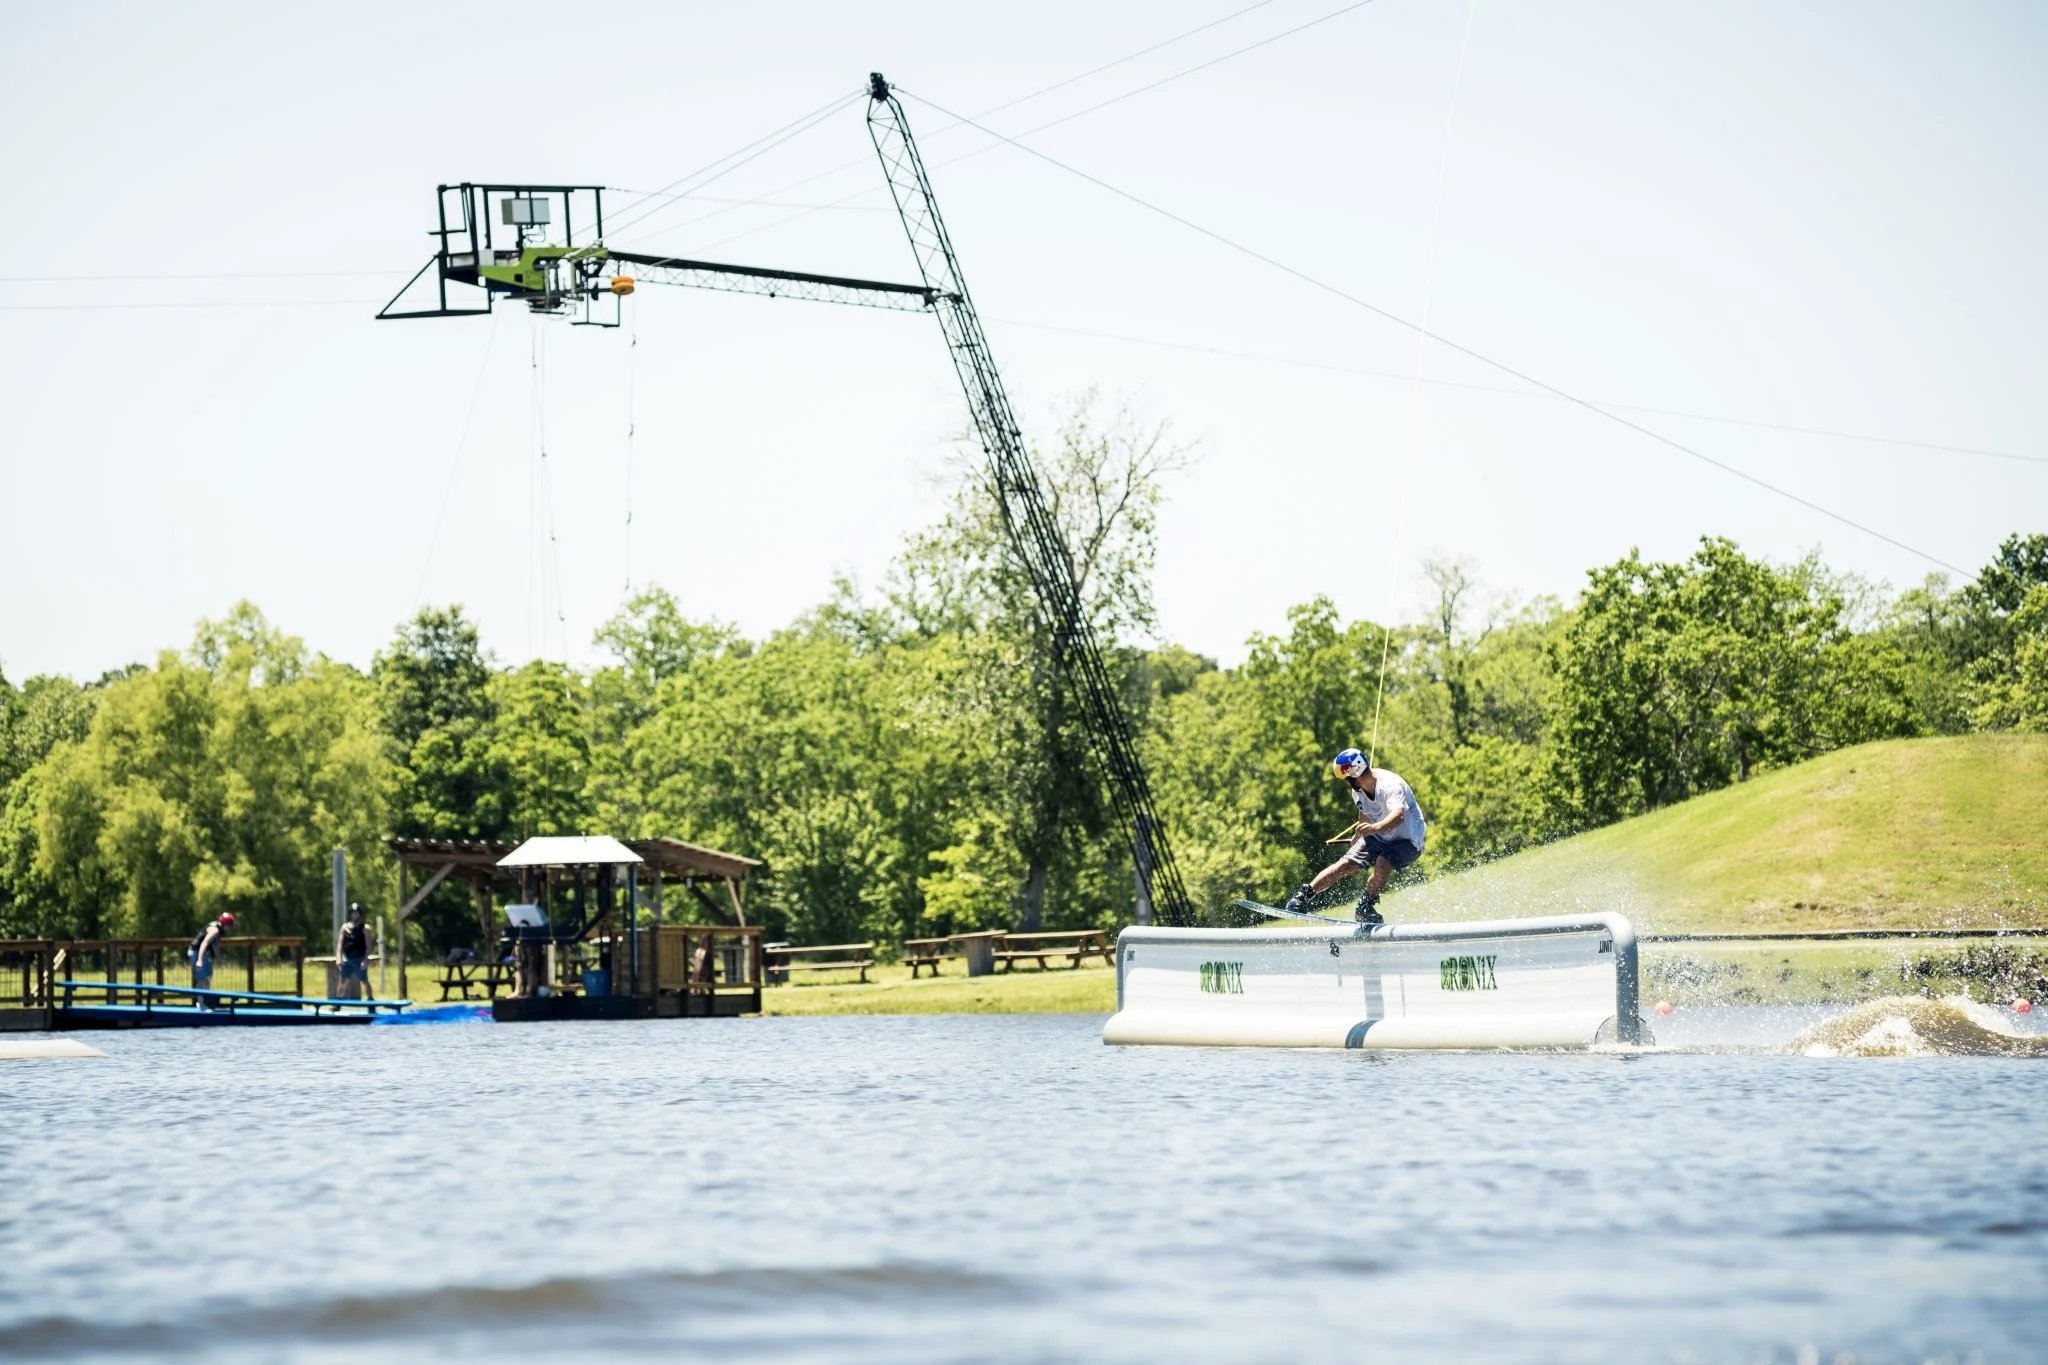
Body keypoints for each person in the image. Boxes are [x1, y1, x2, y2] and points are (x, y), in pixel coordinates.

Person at [1282, 749, 1427, 924]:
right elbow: (1365, 815)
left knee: (1383, 863)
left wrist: (1374, 828)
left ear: (1352, 776)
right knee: (1346, 864)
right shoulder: (1358, 792)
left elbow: (1398, 817)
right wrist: (1358, 835)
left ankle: (1366, 907)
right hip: (1379, 834)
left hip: (1409, 841)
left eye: (1345, 779)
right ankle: (1302, 897)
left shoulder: (1390, 786)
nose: (1345, 783)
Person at [189, 912, 234, 1006]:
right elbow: (204, 943)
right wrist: (200, 960)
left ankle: (205, 1001)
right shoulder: (214, 930)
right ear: (224, 924)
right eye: (229, 926)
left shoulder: (217, 928)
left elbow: (215, 946)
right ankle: (201, 1003)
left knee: (208, 976)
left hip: (203, 953)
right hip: (197, 952)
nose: (230, 928)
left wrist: (219, 959)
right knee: (202, 979)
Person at [335, 902, 373, 1001]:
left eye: (356, 913)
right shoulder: (345, 927)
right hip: (347, 959)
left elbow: (369, 946)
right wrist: (338, 959)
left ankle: (370, 1000)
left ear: (360, 914)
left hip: (359, 959)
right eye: (353, 913)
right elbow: (339, 944)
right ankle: (338, 1003)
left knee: (364, 981)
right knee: (342, 981)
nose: (354, 915)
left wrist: (365, 960)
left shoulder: (365, 928)